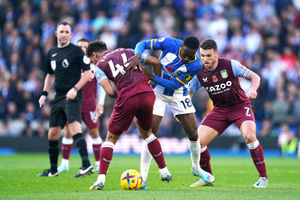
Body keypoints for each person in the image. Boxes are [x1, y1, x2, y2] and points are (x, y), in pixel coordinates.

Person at [125, 36, 215, 189]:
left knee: (193, 133)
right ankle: (144, 179)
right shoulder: (170, 43)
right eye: (185, 54)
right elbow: (142, 43)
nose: (187, 58)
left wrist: (153, 77)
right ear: (181, 47)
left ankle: (195, 168)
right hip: (157, 91)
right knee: (150, 133)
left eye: (190, 56)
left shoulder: (195, 65)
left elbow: (174, 85)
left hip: (178, 93)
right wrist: (138, 55)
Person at [86, 40, 172, 190]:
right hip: (147, 93)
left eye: (92, 60)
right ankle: (164, 171)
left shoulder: (99, 66)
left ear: (94, 55)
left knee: (111, 138)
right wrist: (153, 82)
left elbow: (110, 92)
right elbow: (156, 62)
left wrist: (122, 90)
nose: (93, 62)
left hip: (127, 97)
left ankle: (100, 180)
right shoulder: (129, 50)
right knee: (148, 133)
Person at [188, 38, 268, 188]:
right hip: (219, 110)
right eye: (202, 55)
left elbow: (255, 77)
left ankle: (263, 178)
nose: (205, 59)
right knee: (198, 143)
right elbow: (190, 92)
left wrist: (252, 89)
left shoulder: (231, 65)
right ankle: (207, 177)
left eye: (209, 55)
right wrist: (186, 107)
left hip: (239, 106)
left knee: (250, 137)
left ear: (217, 54)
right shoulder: (198, 72)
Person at [37, 22, 94, 177]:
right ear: (56, 33)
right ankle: (53, 169)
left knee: (75, 128)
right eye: (61, 31)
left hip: (73, 96)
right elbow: (50, 74)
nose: (63, 34)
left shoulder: (76, 51)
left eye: (66, 31)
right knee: (53, 134)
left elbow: (88, 73)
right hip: (58, 97)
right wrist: (44, 93)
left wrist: (75, 89)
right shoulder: (52, 52)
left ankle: (86, 165)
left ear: (70, 34)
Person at [57, 38, 106, 174]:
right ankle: (64, 164)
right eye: (80, 46)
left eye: (85, 46)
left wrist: (100, 104)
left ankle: (98, 164)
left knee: (94, 132)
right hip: (73, 104)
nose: (82, 48)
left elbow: (101, 85)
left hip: (90, 104)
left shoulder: (94, 65)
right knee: (68, 131)